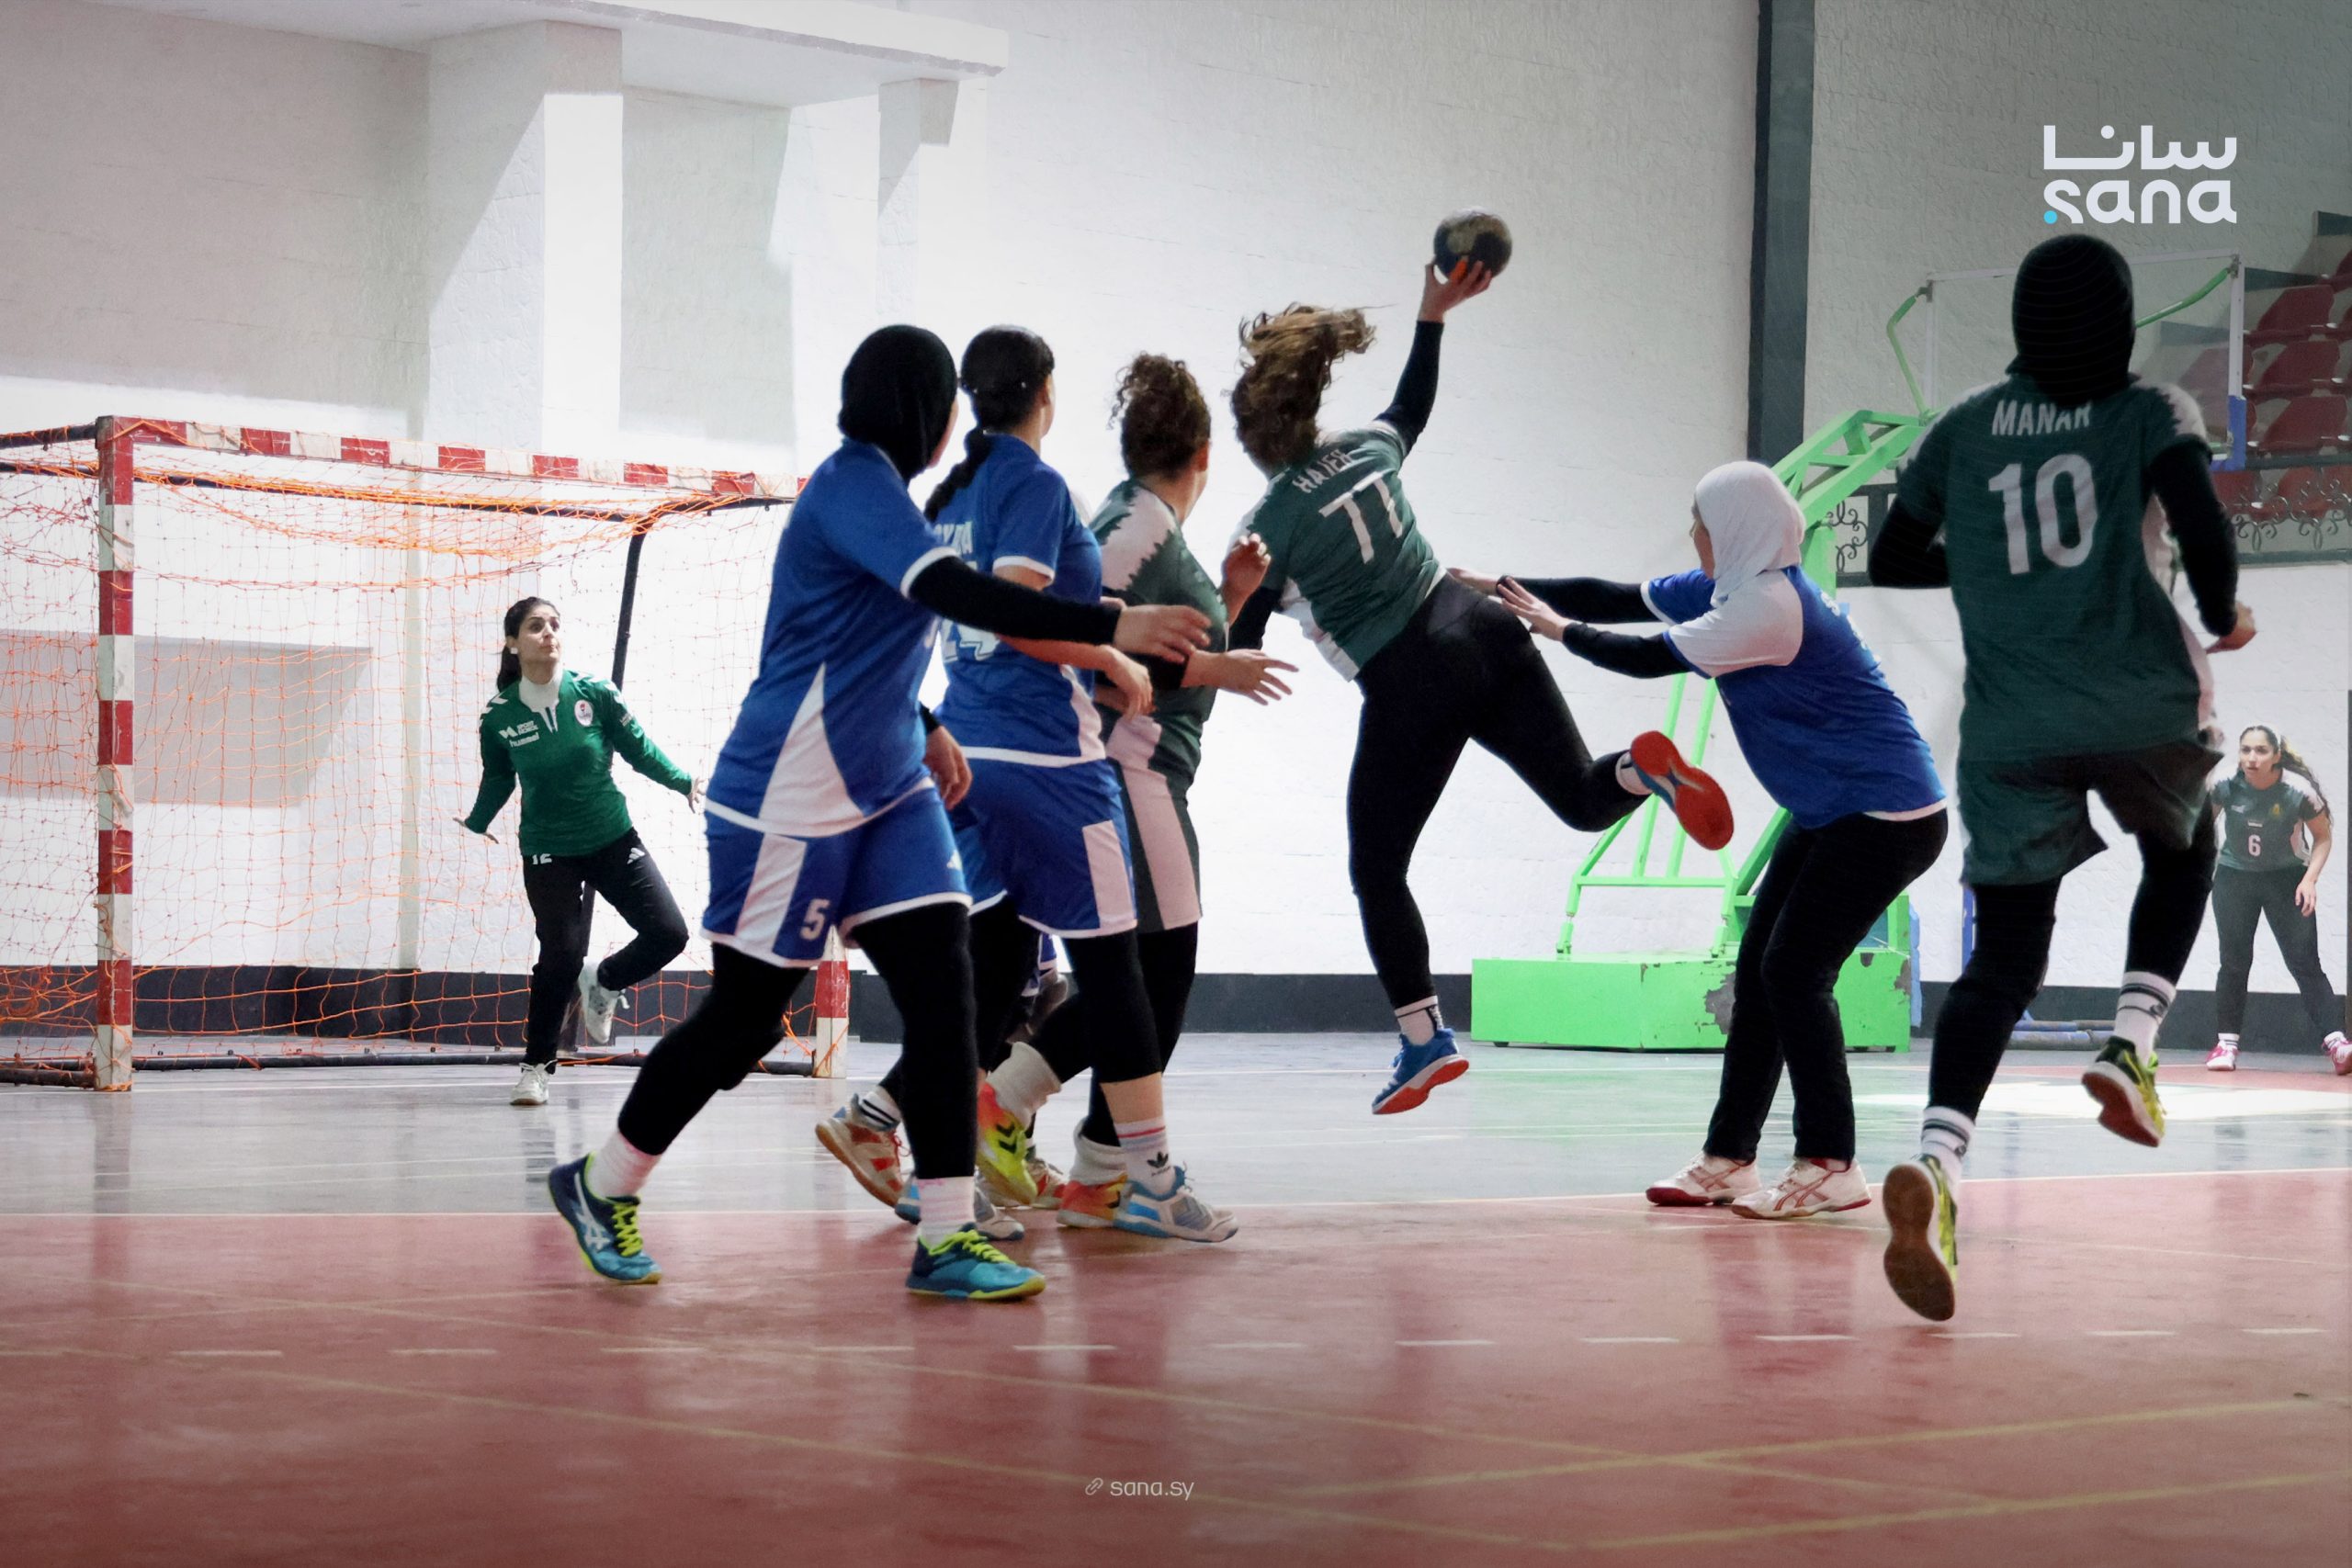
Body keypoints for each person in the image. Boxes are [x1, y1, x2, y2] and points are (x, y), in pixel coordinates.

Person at [544, 325, 1208, 1300]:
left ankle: (946, 1236)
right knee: (743, 1020)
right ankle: (602, 1183)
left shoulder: (894, 500)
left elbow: (867, 637)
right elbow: (958, 597)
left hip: (889, 793)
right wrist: (1114, 624)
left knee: (950, 995)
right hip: (789, 794)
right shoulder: (850, 487)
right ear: (928, 416)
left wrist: (927, 721)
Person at [1226, 257, 1727, 1114]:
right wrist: (1433, 312)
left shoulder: (1267, 525)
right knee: (1582, 797)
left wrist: (1233, 591)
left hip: (1410, 677)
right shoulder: (1366, 447)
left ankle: (1423, 1037)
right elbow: (1411, 406)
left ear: (1253, 440)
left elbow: (1238, 646)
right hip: (1484, 625)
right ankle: (1642, 772)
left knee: (1376, 867)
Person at [1865, 233, 2255, 1321]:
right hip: (2141, 705)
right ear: (2120, 321)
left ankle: (1939, 1162)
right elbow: (2203, 530)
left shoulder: (1964, 425)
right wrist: (2221, 613)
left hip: (2009, 726)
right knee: (2186, 845)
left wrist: (1996, 566)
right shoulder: (2150, 411)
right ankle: (2131, 1045)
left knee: (2004, 957)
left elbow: (1893, 558)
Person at [822, 324, 1243, 1247]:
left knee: (992, 969)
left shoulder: (953, 494)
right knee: (1120, 974)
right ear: (1044, 391)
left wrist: (1112, 631)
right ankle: (1148, 1181)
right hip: (1046, 759)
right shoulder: (1033, 484)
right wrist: (1108, 643)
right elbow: (1016, 610)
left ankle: (896, 1136)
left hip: (969, 752)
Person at [1476, 458, 1948, 1219]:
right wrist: (1502, 587)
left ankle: (1832, 1162)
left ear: (1733, 528)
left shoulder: (1769, 608)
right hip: (1833, 810)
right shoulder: (1731, 586)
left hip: (1887, 815)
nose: (1692, 534)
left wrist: (1556, 630)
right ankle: (1730, 1159)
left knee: (1794, 971)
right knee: (1761, 971)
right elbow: (1616, 596)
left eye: (1699, 522)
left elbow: (1644, 656)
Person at [976, 352, 1296, 1227]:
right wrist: (1216, 668)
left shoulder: (1150, 526)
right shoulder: (1132, 530)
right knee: (1155, 982)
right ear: (1204, 454)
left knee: (1145, 981)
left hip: (1150, 772)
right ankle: (1009, 1106)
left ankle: (1094, 1173)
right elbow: (1081, 650)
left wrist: (1232, 596)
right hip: (1129, 772)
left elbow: (1143, 644)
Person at [459, 597, 696, 1107]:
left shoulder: (595, 693)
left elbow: (638, 749)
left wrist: (683, 781)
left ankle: (605, 980)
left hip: (612, 837)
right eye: (535, 626)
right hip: (548, 850)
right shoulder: (499, 717)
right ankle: (536, 1069)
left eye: (554, 625)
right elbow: (498, 777)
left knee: (670, 933)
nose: (548, 633)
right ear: (513, 643)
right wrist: (477, 822)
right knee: (561, 956)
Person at [2206, 725, 2346, 1072]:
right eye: (2246, 750)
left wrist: (2310, 880)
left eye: (2261, 751)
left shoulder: (2298, 791)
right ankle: (2226, 1045)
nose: (2252, 758)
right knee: (2234, 961)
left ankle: (2337, 1044)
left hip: (2287, 881)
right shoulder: (2225, 784)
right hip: (2235, 879)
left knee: (2304, 961)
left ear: (2277, 756)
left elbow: (2323, 838)